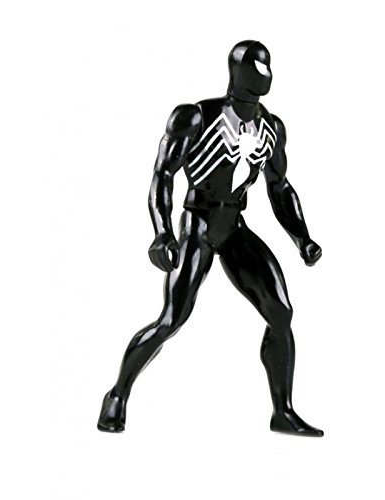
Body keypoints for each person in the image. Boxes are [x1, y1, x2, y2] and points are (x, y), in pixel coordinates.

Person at [98, 40, 323, 436]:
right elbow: (162, 176)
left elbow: (279, 187)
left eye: (267, 67)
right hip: (198, 226)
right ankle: (117, 395)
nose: (264, 76)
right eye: (255, 67)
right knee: (171, 319)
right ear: (236, 72)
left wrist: (301, 237)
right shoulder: (196, 117)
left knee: (281, 313)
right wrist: (163, 233)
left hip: (234, 227)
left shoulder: (271, 128)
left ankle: (282, 410)